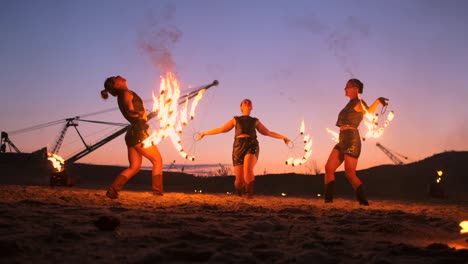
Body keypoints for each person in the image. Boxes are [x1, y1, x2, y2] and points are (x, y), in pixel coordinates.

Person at [198, 99, 290, 198]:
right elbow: (221, 129)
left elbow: (268, 132)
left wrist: (283, 137)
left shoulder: (255, 121)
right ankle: (239, 193)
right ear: (241, 107)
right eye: (244, 102)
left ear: (251, 107)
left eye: (249, 102)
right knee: (239, 181)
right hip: (238, 147)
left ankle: (249, 196)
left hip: (252, 144)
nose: (247, 102)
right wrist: (204, 133)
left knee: (248, 169)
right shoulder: (235, 119)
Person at [324, 78, 388, 205]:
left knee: (349, 173)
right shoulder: (349, 103)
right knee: (329, 168)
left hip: (352, 139)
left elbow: (369, 111)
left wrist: (378, 101)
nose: (345, 89)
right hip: (342, 138)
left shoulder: (359, 102)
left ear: (355, 89)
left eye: (347, 86)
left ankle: (363, 201)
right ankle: (328, 201)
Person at [100, 75, 163, 199]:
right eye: (116, 77)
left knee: (134, 167)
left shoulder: (124, 94)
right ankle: (157, 192)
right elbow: (130, 111)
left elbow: (131, 111)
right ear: (116, 84)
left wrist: (143, 115)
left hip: (132, 134)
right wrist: (139, 114)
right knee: (157, 161)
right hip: (139, 134)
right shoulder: (125, 94)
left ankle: (113, 190)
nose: (119, 76)